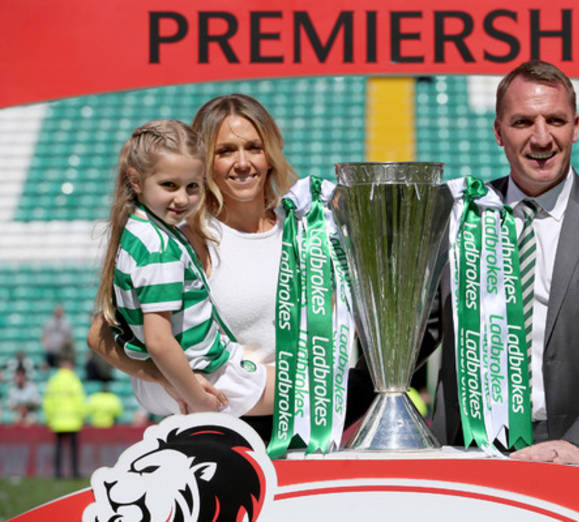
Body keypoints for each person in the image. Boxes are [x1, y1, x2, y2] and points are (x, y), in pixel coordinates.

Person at [428, 60, 579, 476]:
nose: (541, 138)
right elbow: (416, 336)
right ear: (498, 132)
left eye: (555, 120)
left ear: (575, 127)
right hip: (474, 457)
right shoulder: (454, 216)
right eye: (523, 122)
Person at [88, 95, 373, 439]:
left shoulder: (307, 227)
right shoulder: (184, 240)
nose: (242, 162)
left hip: (314, 428)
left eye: (254, 147)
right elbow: (100, 336)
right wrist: (169, 379)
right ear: (203, 160)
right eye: (225, 151)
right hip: (225, 433)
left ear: (270, 154)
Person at [93, 119, 274, 418]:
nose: (182, 198)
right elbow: (159, 340)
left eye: (192, 187)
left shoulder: (138, 229)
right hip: (208, 378)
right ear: (136, 181)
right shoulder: (159, 248)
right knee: (318, 388)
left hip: (182, 374)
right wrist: (197, 398)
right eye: (169, 185)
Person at [42, 357, 85, 478]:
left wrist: (49, 417)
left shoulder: (54, 381)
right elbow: (80, 400)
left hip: (57, 420)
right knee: (73, 449)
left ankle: (58, 472)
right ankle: (74, 472)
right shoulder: (74, 380)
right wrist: (81, 415)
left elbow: (48, 401)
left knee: (59, 448)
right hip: (73, 420)